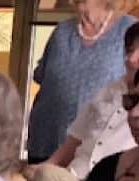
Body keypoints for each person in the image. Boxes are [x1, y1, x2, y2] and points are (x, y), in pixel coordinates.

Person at [26, 22, 139, 181]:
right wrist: (46, 164)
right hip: (73, 176)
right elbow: (73, 141)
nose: (131, 59)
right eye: (129, 51)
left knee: (47, 177)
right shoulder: (107, 91)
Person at [27, 0, 136, 162]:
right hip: (45, 137)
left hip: (95, 147)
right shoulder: (62, 31)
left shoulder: (129, 29)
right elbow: (41, 76)